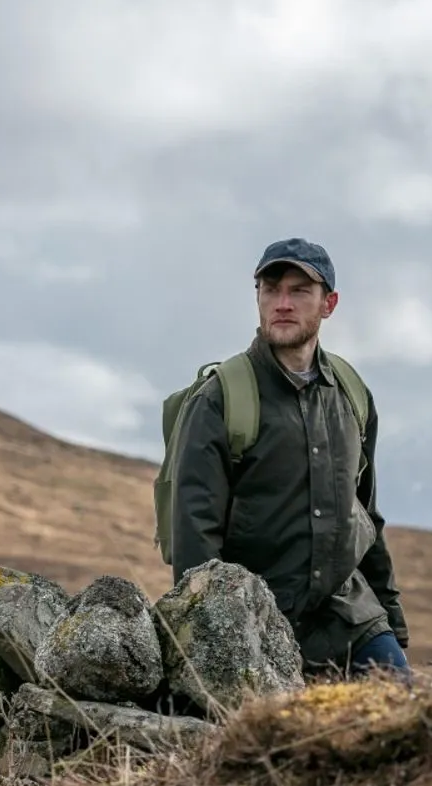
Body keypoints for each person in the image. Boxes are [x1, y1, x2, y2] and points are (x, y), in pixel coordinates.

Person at [170, 237, 410, 680]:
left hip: (348, 618)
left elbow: (366, 517)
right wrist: (208, 638)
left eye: (299, 291)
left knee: (409, 724)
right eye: (270, 289)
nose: (282, 303)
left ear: (328, 304)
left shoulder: (353, 395)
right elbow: (194, 528)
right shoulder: (221, 398)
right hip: (257, 624)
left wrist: (393, 623)